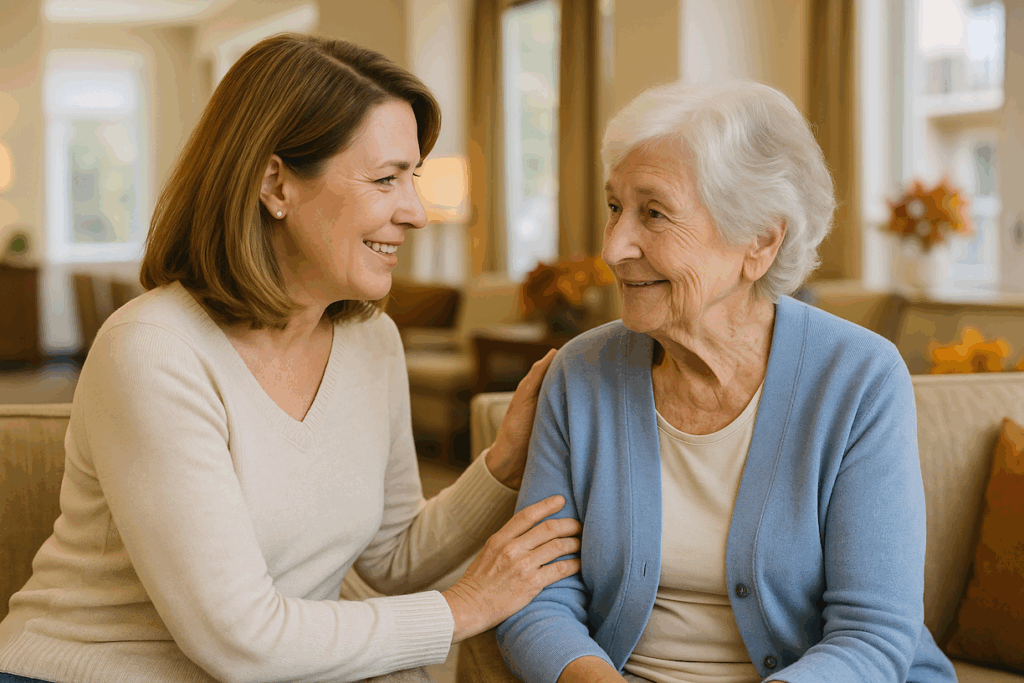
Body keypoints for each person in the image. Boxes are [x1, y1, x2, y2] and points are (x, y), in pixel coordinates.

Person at [0, 34, 582, 683]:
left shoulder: (372, 342)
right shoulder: (154, 351)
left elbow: (390, 556)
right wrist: (464, 606)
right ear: (275, 182)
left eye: (411, 178)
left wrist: (502, 461)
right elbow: (240, 640)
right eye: (386, 178)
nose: (415, 212)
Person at [497, 80, 957, 683]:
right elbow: (535, 598)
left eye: (654, 213)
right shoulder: (579, 374)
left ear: (760, 241)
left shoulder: (858, 379)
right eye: (615, 207)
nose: (613, 247)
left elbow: (873, 636)